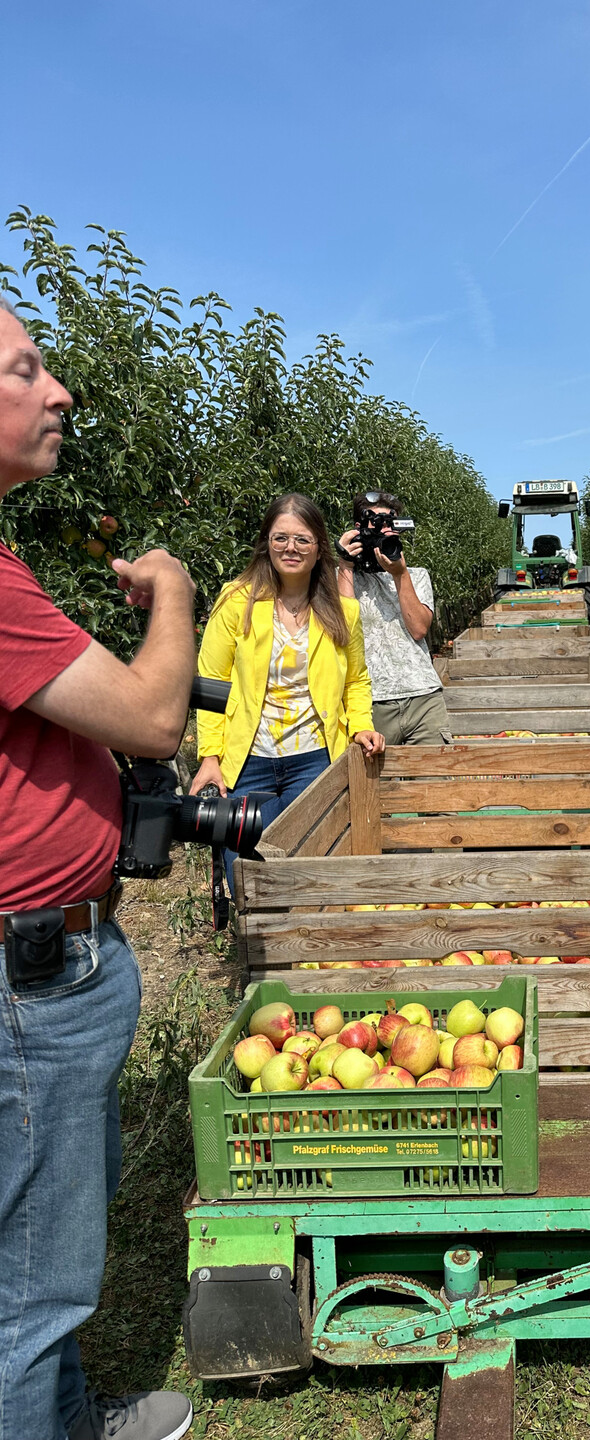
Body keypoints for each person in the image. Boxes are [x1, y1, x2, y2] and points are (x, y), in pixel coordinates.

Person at [0, 298, 195, 1440]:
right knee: (30, 1282)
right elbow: (151, 718)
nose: (61, 390)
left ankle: (69, 1422)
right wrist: (172, 592)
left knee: (43, 1249)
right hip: (29, 980)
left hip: (52, 961)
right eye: (28, 369)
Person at [191, 494, 383, 884]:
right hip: (248, 759)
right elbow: (212, 682)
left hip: (314, 757)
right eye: (280, 538)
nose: (290, 548)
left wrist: (361, 725)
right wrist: (210, 755)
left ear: (319, 548)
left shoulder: (343, 611)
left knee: (310, 869)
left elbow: (357, 680)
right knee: (246, 872)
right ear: (266, 543)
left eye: (302, 539)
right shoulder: (236, 601)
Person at [337, 490, 451, 745]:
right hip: (369, 703)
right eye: (376, 524)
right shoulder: (341, 577)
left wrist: (400, 575)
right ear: (358, 528)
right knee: (377, 785)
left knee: (433, 782)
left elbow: (419, 629)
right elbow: (343, 629)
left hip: (423, 698)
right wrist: (345, 564)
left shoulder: (417, 575)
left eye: (390, 524)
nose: (384, 530)